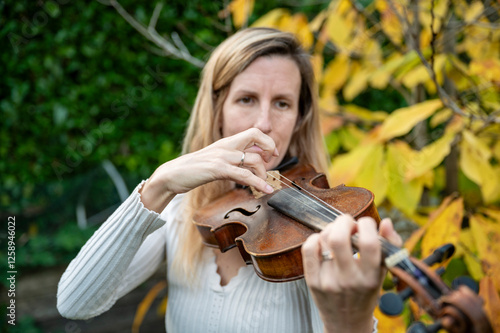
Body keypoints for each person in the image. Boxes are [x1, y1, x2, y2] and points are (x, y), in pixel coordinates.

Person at [57, 27, 401, 333]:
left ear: (298, 119)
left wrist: (350, 322)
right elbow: (75, 303)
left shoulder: (320, 239)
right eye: (246, 99)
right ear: (217, 110)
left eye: (282, 103)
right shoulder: (180, 209)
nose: (264, 123)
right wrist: (159, 184)